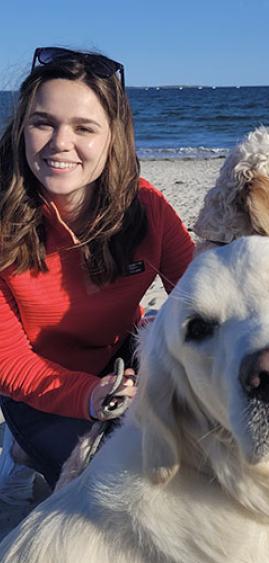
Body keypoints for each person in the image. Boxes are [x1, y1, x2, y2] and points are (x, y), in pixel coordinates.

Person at [0, 47, 194, 499]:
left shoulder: (149, 209)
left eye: (84, 127)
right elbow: (10, 363)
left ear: (113, 137)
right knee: (102, 486)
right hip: (35, 385)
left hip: (121, 360)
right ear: (22, 128)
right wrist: (90, 396)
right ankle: (24, 451)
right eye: (43, 122)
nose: (59, 143)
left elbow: (198, 295)